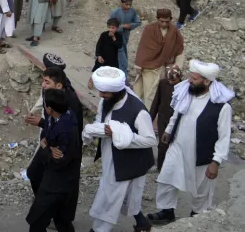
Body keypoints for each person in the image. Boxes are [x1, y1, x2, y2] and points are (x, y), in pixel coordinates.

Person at [148, 60, 234, 224]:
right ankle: (167, 211)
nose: (189, 81)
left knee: (201, 189)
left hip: (202, 155)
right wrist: (168, 131)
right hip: (178, 147)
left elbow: (224, 137)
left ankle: (197, 218)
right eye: (190, 77)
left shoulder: (221, 106)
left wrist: (216, 162)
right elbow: (177, 113)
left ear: (207, 81)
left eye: (194, 79)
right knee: (166, 178)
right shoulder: (187, 92)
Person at [83, 67, 157, 232]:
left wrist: (123, 136)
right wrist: (95, 130)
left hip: (129, 162)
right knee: (129, 195)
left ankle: (98, 230)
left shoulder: (137, 110)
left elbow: (150, 139)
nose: (101, 95)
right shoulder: (107, 101)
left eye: (105, 93)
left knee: (110, 197)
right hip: (111, 156)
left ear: (116, 91)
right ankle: (142, 224)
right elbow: (100, 118)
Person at [25, 88, 81, 232]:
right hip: (55, 179)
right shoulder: (59, 116)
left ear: (50, 108)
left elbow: (59, 160)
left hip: (58, 183)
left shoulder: (66, 130)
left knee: (38, 221)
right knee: (61, 220)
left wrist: (45, 147)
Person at [25, 65, 84, 196]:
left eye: (47, 82)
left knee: (57, 184)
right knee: (33, 173)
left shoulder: (71, 102)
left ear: (58, 86)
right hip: (48, 142)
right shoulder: (48, 93)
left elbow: (68, 129)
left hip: (61, 149)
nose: (43, 85)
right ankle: (41, 201)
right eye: (43, 81)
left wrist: (41, 123)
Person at [132, 9, 185, 109]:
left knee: (159, 94)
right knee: (148, 93)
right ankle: (144, 113)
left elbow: (180, 50)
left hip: (164, 68)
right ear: (157, 19)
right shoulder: (149, 29)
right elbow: (143, 47)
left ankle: (153, 115)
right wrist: (139, 63)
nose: (164, 24)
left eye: (167, 21)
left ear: (170, 20)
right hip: (148, 68)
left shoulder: (174, 31)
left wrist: (177, 66)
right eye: (162, 21)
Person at [150, 65, 182, 171]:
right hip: (163, 118)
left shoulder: (184, 87)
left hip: (177, 121)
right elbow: (156, 101)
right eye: (170, 80)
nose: (171, 82)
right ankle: (160, 168)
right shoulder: (163, 83)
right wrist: (150, 118)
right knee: (162, 144)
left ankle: (173, 169)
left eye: (174, 80)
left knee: (175, 145)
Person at [108, 0, 141, 76]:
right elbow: (110, 25)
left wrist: (130, 25)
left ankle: (122, 70)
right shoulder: (115, 12)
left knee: (123, 50)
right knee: (118, 51)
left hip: (125, 35)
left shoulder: (132, 12)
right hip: (115, 36)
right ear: (121, 3)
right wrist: (122, 26)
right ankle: (122, 71)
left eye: (130, 4)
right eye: (126, 4)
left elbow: (138, 22)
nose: (128, 6)